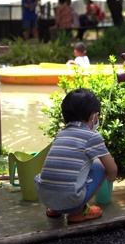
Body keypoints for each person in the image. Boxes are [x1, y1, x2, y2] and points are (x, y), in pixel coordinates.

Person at [34, 88, 118, 223]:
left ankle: (55, 209)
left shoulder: (61, 134)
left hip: (45, 196)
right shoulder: (92, 136)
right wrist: (111, 178)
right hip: (70, 200)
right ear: (93, 116)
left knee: (61, 171)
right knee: (101, 165)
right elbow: (112, 169)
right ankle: (78, 212)